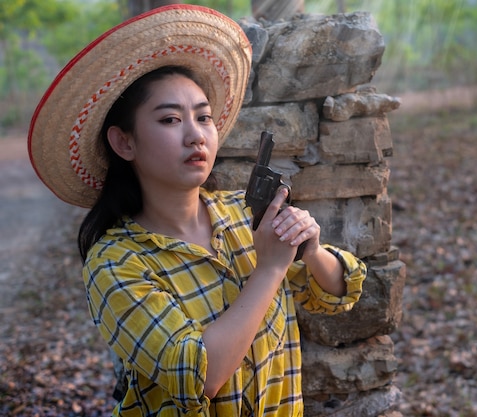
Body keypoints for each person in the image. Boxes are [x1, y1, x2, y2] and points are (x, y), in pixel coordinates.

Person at [28, 5, 366, 417]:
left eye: (203, 117)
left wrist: (310, 250)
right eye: (170, 119)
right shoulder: (115, 264)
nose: (196, 136)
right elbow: (198, 375)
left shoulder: (243, 215)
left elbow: (337, 294)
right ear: (124, 143)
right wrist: (269, 269)